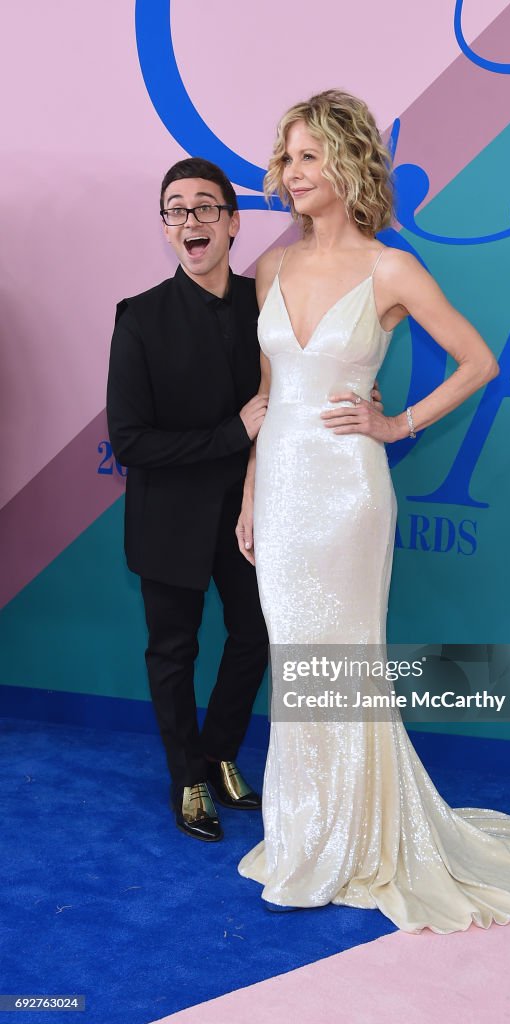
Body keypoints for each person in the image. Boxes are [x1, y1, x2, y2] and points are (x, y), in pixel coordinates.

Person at [235, 91, 510, 932]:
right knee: (295, 661)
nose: (289, 172)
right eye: (284, 157)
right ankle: (307, 832)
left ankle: (356, 840)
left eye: (305, 156)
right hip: (286, 493)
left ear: (346, 161)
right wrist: (253, 494)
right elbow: (268, 398)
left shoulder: (389, 268)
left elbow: (477, 358)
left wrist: (397, 422)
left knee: (340, 666)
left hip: (347, 495)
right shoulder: (269, 268)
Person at [106, 158, 270, 842]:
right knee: (173, 652)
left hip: (250, 513)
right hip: (168, 520)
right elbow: (131, 442)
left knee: (255, 635)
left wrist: (355, 400)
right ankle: (187, 778)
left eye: (206, 207)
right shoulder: (139, 318)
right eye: (176, 209)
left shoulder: (270, 305)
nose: (190, 220)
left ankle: (219, 750)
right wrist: (230, 432)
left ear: (233, 223)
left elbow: (303, 385)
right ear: (166, 228)